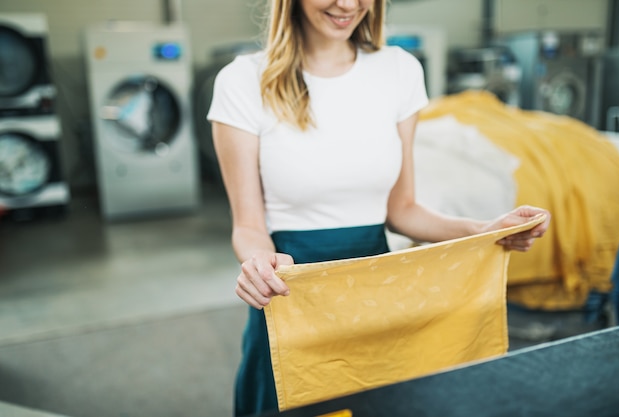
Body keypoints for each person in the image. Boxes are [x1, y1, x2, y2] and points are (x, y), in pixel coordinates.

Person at [207, 0, 551, 415]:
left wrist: (484, 229)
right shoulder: (242, 80)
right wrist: (258, 264)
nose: (348, 4)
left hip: (376, 299)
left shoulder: (399, 70)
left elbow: (402, 210)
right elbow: (247, 224)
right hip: (291, 298)